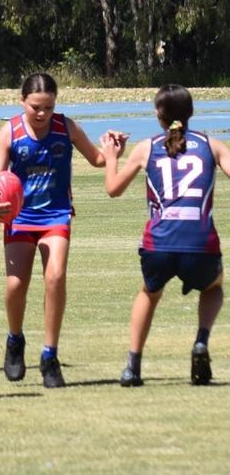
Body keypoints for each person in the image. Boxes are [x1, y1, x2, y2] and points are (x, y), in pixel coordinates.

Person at [0, 72, 127, 388]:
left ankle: (49, 356)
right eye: (35, 107)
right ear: (22, 102)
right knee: (16, 285)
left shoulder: (66, 127)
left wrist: (113, 150)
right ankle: (15, 340)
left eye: (48, 106)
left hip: (56, 216)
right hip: (19, 217)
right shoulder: (11, 132)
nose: (42, 114)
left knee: (55, 277)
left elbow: (98, 159)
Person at [100, 84, 230, 387]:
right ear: (191, 113)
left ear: (159, 115)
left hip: (158, 242)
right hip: (201, 243)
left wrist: (111, 155)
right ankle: (200, 341)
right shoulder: (212, 145)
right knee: (213, 288)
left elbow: (112, 189)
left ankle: (133, 365)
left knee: (149, 292)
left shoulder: (147, 147)